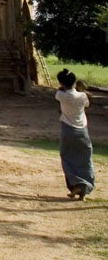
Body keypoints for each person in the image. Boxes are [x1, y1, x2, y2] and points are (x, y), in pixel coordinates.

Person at [55, 68, 95, 200]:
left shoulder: (61, 95)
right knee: (85, 159)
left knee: (67, 158)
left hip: (67, 130)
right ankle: (84, 188)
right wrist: (80, 90)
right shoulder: (82, 96)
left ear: (61, 83)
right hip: (82, 131)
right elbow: (87, 104)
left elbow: (59, 93)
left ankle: (74, 185)